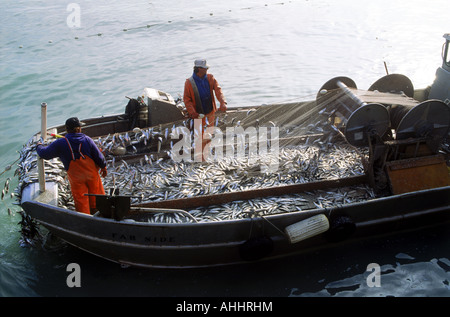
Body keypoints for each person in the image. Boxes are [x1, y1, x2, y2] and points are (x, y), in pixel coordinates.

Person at [36, 117, 107, 214]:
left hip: (77, 179)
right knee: (97, 195)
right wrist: (104, 167)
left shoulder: (60, 143)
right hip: (92, 175)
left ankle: (85, 219)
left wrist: (39, 146)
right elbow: (99, 157)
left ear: (67, 129)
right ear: (79, 129)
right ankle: (101, 213)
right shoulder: (87, 140)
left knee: (81, 199)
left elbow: (44, 154)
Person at [183, 59, 227, 124]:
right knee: (199, 133)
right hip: (197, 116)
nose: (207, 69)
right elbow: (187, 100)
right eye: (205, 68)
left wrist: (223, 102)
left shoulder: (210, 78)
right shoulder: (189, 83)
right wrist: (192, 113)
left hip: (211, 113)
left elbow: (218, 91)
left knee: (210, 132)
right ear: (198, 69)